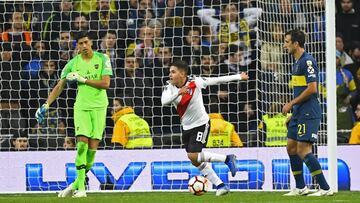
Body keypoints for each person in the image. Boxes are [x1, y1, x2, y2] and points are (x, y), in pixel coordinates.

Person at [35, 31, 112, 198]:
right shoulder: (72, 63)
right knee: (82, 144)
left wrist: (83, 79)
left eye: (86, 42)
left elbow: (106, 84)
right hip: (82, 108)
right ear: (77, 45)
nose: (84, 46)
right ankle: (82, 190)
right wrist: (46, 105)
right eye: (80, 44)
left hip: (100, 108)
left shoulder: (103, 58)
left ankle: (74, 185)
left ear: (91, 42)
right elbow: (59, 86)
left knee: (92, 151)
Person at [161, 60, 249, 196]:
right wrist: (179, 93)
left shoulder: (195, 82)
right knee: (195, 160)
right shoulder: (169, 87)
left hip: (201, 123)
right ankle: (221, 185)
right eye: (170, 72)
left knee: (193, 155)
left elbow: (217, 80)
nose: (170, 75)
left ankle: (227, 159)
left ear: (182, 73)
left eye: (173, 72)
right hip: (186, 126)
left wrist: (238, 77)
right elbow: (164, 101)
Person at [282, 29, 332, 196]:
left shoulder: (307, 61)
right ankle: (301, 187)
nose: (284, 45)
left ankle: (325, 188)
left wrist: (291, 103)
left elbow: (312, 89)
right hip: (298, 112)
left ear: (296, 44)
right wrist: (294, 110)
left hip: (309, 112)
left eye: (287, 42)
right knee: (291, 147)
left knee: (303, 149)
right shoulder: (296, 63)